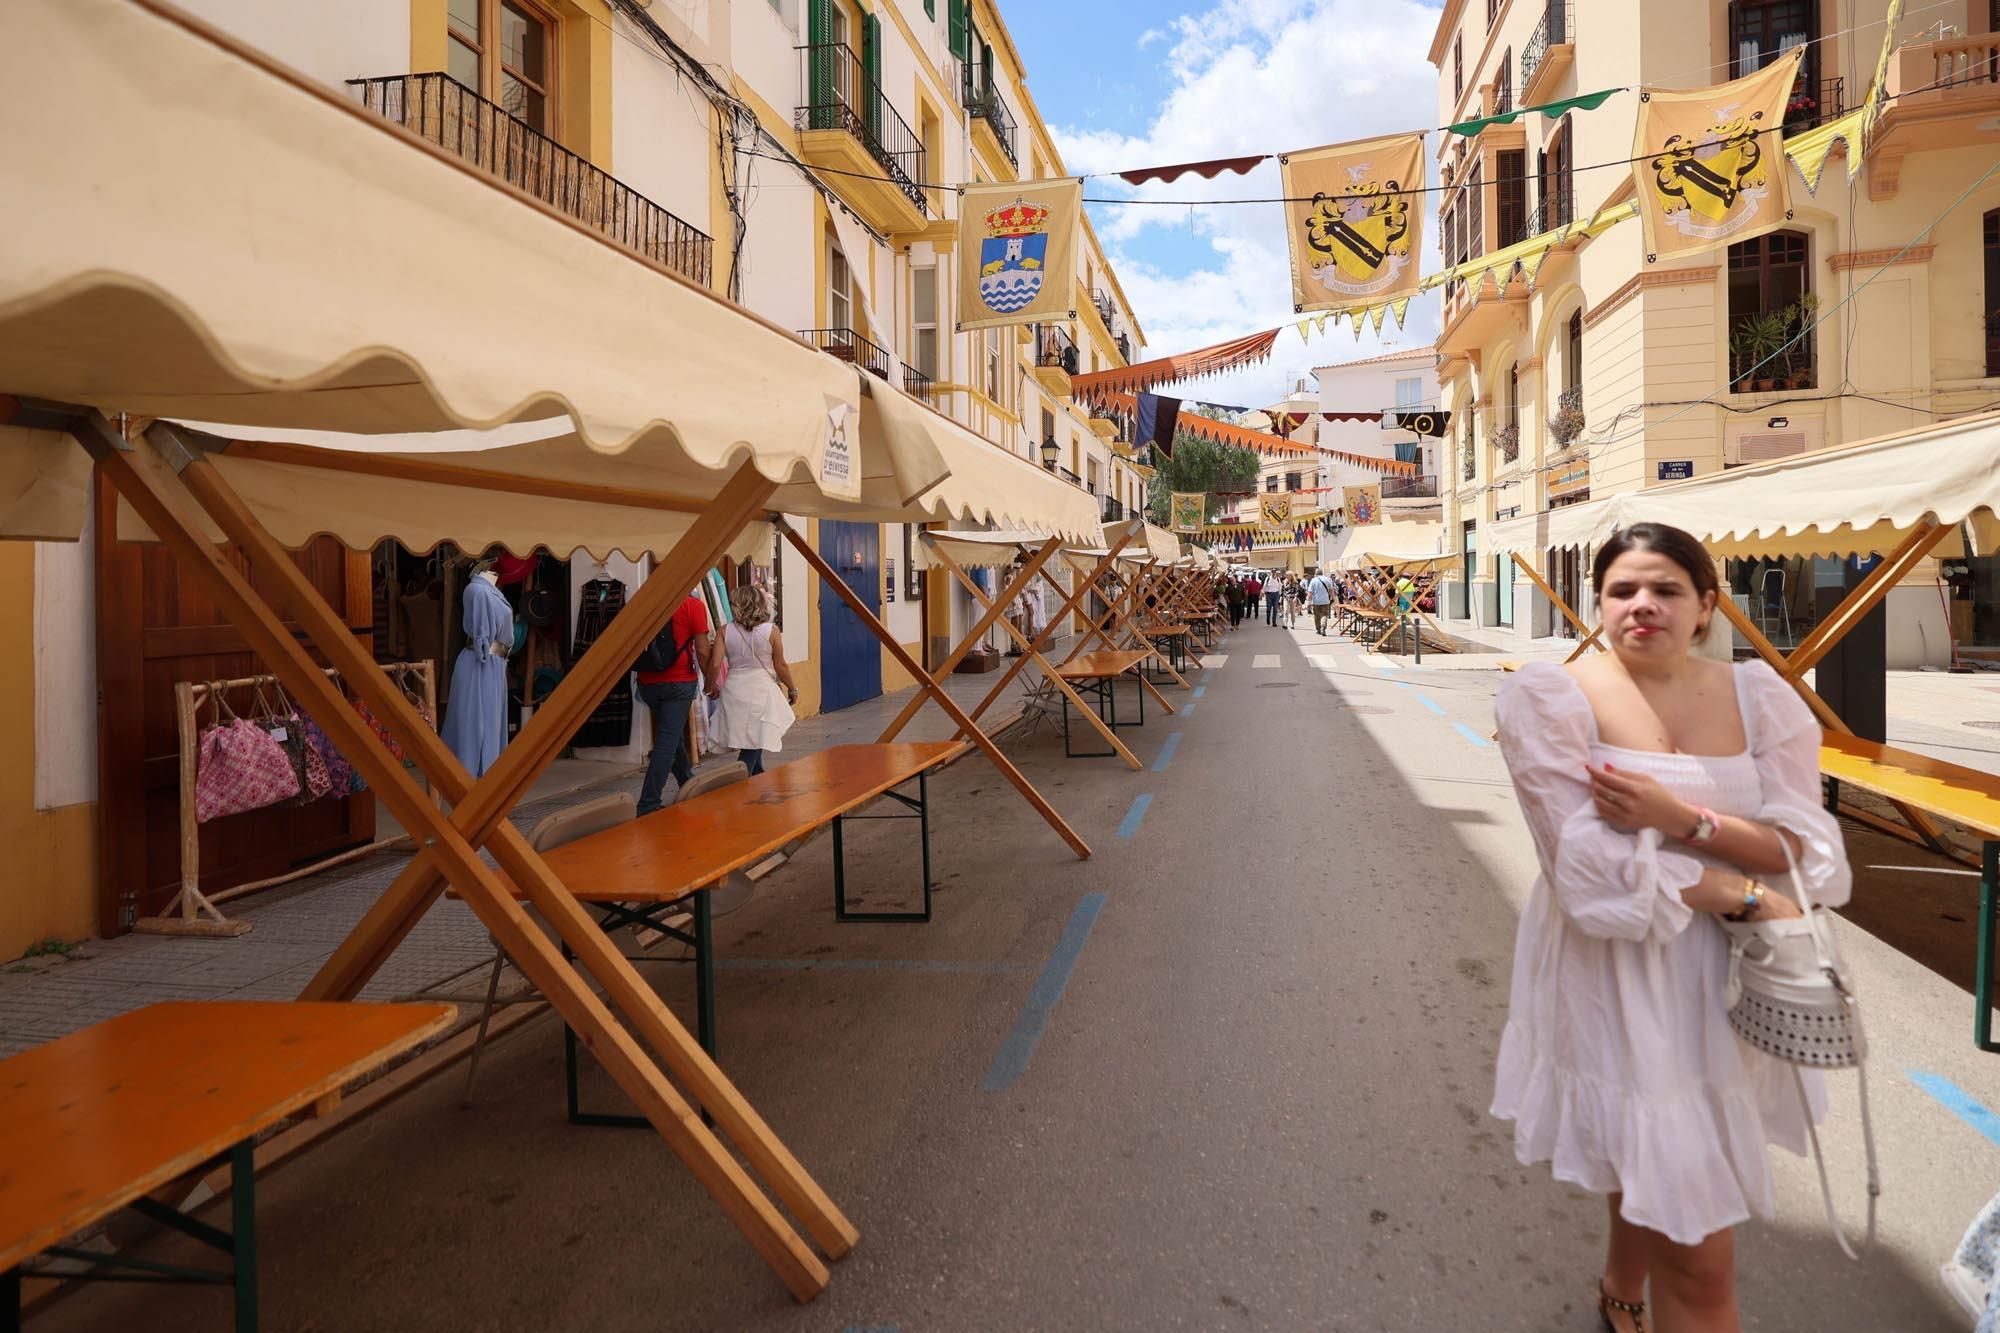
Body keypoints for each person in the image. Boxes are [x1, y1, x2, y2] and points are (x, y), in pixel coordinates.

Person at [1491, 523, 1851, 1333]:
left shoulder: (1761, 698)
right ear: (1598, 604)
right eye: (1622, 590)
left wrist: (1679, 818)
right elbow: (1582, 869)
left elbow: (1811, 856)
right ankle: (1633, 1290)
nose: (1642, 605)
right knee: (1700, 1250)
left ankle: (1621, 1286)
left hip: (1726, 979)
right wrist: (1741, 891)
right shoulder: (1551, 696)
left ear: (1704, 608)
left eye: (1665, 590)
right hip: (1615, 969)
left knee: (1654, 1143)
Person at [635, 584, 713, 816]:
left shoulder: (643, 605)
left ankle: (687, 782)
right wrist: (711, 681)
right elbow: (702, 650)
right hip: (679, 682)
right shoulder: (693, 605)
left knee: (672, 733)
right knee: (667, 740)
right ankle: (648, 803)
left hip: (647, 681)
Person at [703, 584, 797, 776]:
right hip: (760, 688)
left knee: (754, 737)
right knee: (755, 736)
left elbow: (714, 664)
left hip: (734, 688)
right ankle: (739, 779)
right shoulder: (771, 631)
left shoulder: (724, 631)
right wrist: (792, 688)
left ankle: (757, 774)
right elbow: (780, 665)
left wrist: (709, 686)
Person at [1306, 568, 1335, 635]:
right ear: (1322, 573)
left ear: (1315, 574)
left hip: (1316, 601)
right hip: (1325, 601)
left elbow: (1310, 592)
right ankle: (1323, 628)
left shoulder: (1313, 580)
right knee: (1324, 615)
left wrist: (1309, 602)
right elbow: (1331, 590)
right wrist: (1332, 598)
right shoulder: (1327, 579)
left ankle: (1318, 629)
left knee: (1317, 616)